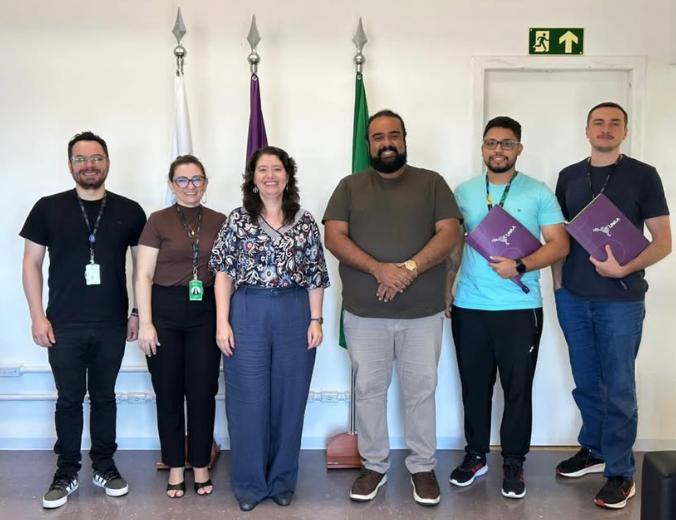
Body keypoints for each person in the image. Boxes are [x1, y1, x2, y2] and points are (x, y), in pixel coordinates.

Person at [323, 109, 463, 506]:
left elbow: (450, 233)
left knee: (421, 392)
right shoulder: (349, 187)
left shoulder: (431, 183)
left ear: (404, 139)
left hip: (422, 314)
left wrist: (408, 269)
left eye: (394, 135)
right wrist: (379, 269)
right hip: (365, 315)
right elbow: (334, 237)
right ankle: (374, 466)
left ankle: (422, 467)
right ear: (368, 144)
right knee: (369, 392)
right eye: (378, 137)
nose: (387, 143)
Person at [553, 102, 671, 509]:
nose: (606, 128)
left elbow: (663, 241)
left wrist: (625, 267)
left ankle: (621, 472)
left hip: (621, 300)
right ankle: (595, 449)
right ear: (586, 130)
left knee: (618, 387)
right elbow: (558, 237)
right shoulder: (569, 176)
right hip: (573, 298)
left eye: (614, 123)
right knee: (587, 382)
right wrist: (559, 286)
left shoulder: (643, 175)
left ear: (624, 131)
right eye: (598, 123)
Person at [20, 131, 146, 509]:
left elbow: (143, 269)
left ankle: (105, 466)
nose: (89, 165)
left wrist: (137, 313)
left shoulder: (130, 210)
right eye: (81, 159)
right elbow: (31, 264)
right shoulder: (47, 208)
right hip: (63, 323)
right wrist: (37, 317)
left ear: (107, 162)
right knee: (69, 400)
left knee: (105, 397)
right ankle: (66, 471)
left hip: (112, 323)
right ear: (70, 165)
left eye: (96, 158)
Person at [445, 116, 569, 500]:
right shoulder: (464, 191)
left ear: (519, 148)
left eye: (507, 143)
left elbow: (559, 244)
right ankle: (476, 455)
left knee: (517, 390)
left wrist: (520, 266)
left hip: (519, 307)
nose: (498, 149)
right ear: (483, 148)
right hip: (470, 306)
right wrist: (448, 288)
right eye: (491, 143)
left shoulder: (538, 193)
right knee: (474, 387)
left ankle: (514, 461)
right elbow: (454, 242)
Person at [210, 146, 330, 512]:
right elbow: (223, 273)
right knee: (247, 399)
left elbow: (316, 274)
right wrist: (222, 322)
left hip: (295, 310)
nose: (270, 176)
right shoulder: (238, 219)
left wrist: (316, 320)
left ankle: (281, 480)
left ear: (288, 176)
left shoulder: (305, 221)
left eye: (277, 169)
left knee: (290, 398)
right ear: (253, 178)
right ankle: (249, 483)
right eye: (263, 169)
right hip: (248, 309)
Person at [136, 155, 225, 498]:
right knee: (168, 391)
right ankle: (175, 465)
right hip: (165, 311)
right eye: (183, 180)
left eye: (197, 179)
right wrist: (146, 324)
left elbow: (226, 273)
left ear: (206, 182)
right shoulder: (157, 221)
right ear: (171, 184)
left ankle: (200, 463)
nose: (191, 186)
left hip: (205, 311)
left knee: (202, 390)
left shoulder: (219, 220)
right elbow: (143, 275)